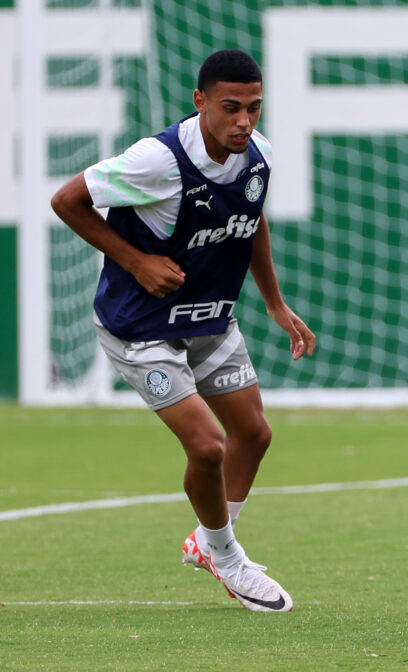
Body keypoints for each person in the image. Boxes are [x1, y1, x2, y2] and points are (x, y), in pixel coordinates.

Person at [51, 49, 314, 613]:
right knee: (207, 444)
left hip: (209, 320)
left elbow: (251, 218)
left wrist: (275, 303)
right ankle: (227, 556)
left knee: (255, 434)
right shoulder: (157, 161)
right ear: (200, 103)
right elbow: (67, 200)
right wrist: (135, 260)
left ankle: (207, 539)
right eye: (231, 108)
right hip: (140, 330)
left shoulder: (257, 156)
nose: (244, 120)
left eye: (254, 108)